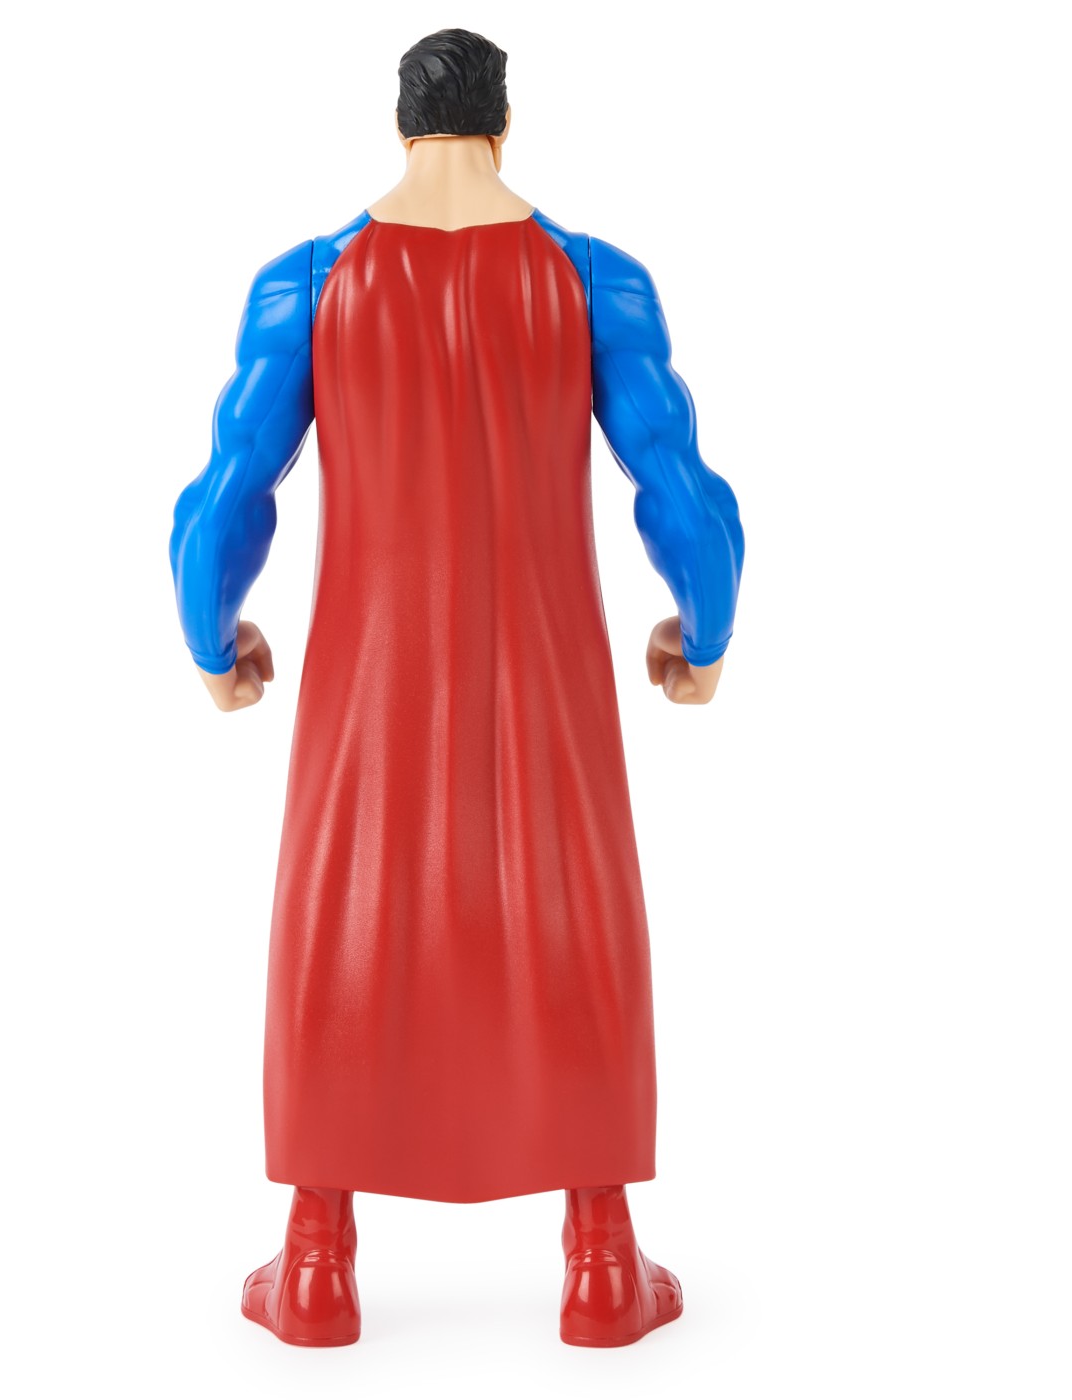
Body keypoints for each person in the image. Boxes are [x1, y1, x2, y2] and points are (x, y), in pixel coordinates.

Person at [169, 27, 744, 1347]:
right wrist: (704, 629)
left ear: (399, 128)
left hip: (367, 680)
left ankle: (317, 1264)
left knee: (343, 914)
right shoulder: (592, 280)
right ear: (504, 128)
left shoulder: (309, 283)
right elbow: (676, 474)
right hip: (546, 673)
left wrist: (213, 636)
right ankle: (601, 1264)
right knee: (572, 912)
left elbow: (229, 485)